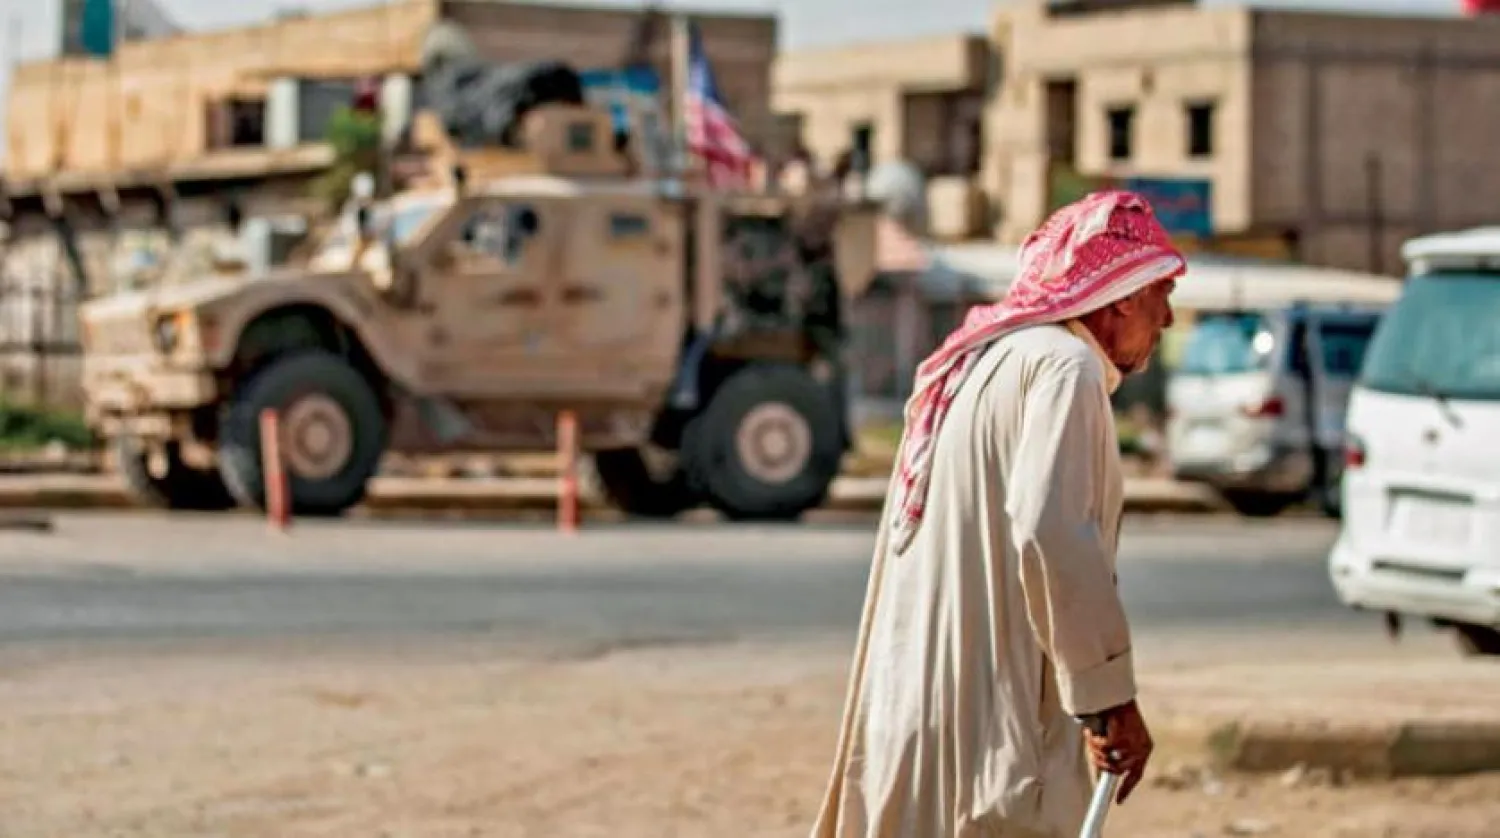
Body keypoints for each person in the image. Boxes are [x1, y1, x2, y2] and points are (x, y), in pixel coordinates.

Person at [809, 190, 1185, 838]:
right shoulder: (1065, 369)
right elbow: (1050, 529)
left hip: (917, 720)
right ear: (1121, 294)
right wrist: (1109, 699)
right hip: (991, 742)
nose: (1170, 319)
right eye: (1161, 294)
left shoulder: (982, 364)